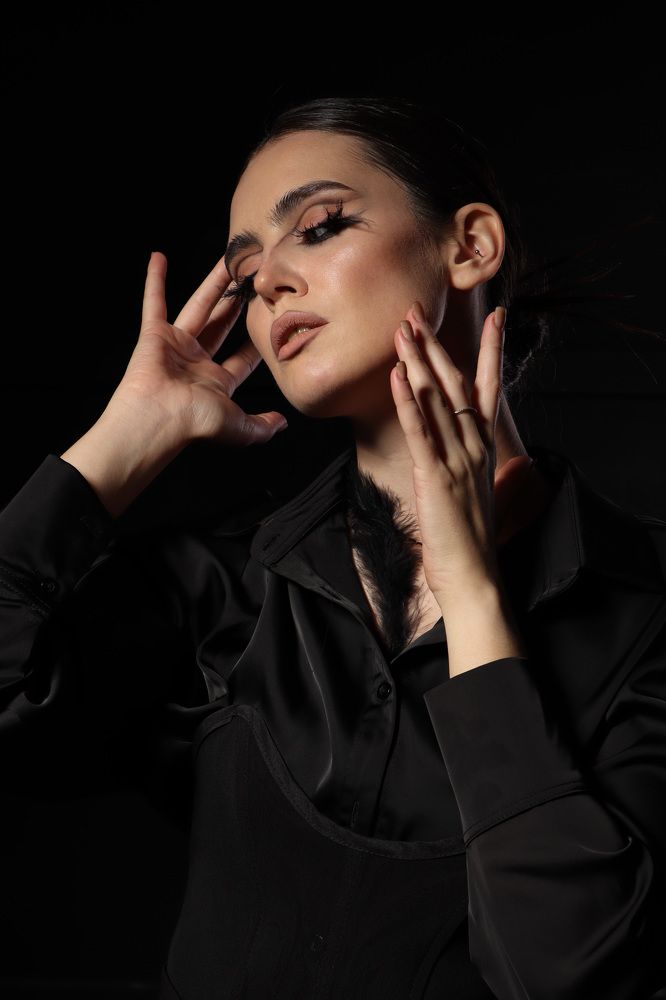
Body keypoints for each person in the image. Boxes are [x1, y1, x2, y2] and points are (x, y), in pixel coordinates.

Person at [1, 94, 666, 999]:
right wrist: (125, 439)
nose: (270, 282)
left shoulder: (642, 609)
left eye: (318, 228)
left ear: (470, 245)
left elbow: (572, 971)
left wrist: (471, 600)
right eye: (245, 276)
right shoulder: (229, 588)